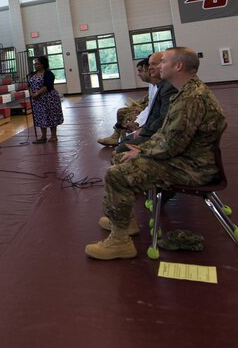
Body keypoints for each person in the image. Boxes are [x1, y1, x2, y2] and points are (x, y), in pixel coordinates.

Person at [86, 47, 227, 260]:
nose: (158, 66)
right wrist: (143, 149)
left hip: (192, 168)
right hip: (187, 159)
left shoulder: (191, 98)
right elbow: (169, 134)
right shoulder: (187, 92)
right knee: (121, 158)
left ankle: (119, 241)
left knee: (117, 173)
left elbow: (172, 143)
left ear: (178, 66)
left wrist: (142, 151)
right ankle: (125, 222)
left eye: (164, 62)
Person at [115, 52, 176, 153]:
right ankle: (116, 136)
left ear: (177, 65)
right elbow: (152, 109)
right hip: (155, 129)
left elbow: (164, 119)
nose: (150, 68)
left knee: (121, 150)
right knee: (123, 143)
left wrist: (143, 129)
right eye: (149, 64)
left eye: (155, 64)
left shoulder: (169, 87)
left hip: (163, 136)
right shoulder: (161, 85)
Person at [97, 59, 151, 146]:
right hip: (146, 108)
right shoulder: (153, 84)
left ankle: (124, 142)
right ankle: (116, 137)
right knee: (121, 111)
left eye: (141, 70)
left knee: (128, 117)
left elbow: (153, 106)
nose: (138, 74)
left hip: (149, 112)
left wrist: (139, 117)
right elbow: (149, 97)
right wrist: (139, 104)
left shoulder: (163, 85)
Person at [28, 56, 63, 143]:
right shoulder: (33, 74)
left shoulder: (48, 73)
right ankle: (43, 136)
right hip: (38, 100)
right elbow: (29, 85)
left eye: (37, 64)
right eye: (35, 64)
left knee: (51, 115)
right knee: (40, 116)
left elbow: (48, 86)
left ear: (43, 64)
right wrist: (32, 93)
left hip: (49, 98)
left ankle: (53, 136)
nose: (35, 65)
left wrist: (37, 93)